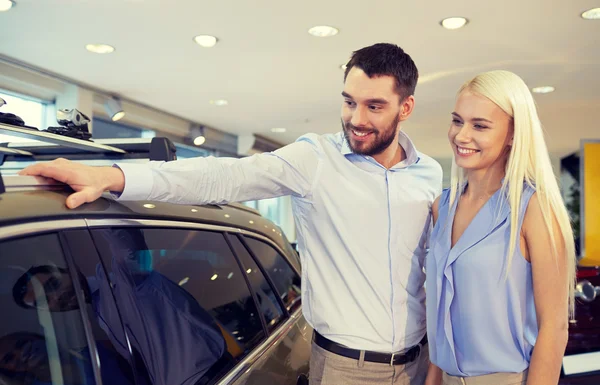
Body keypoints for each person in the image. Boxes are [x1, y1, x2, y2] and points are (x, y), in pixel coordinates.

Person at [20, 43, 443, 385]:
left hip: (418, 362)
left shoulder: (428, 173)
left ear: (405, 108)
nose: (356, 119)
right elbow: (219, 176)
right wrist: (114, 177)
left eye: (374, 106)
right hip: (343, 369)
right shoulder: (316, 159)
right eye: (349, 102)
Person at [424, 70, 576, 385]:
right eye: (457, 121)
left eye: (479, 125)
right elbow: (441, 317)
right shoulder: (442, 207)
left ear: (512, 134)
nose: (461, 135)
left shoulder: (535, 210)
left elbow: (554, 327)